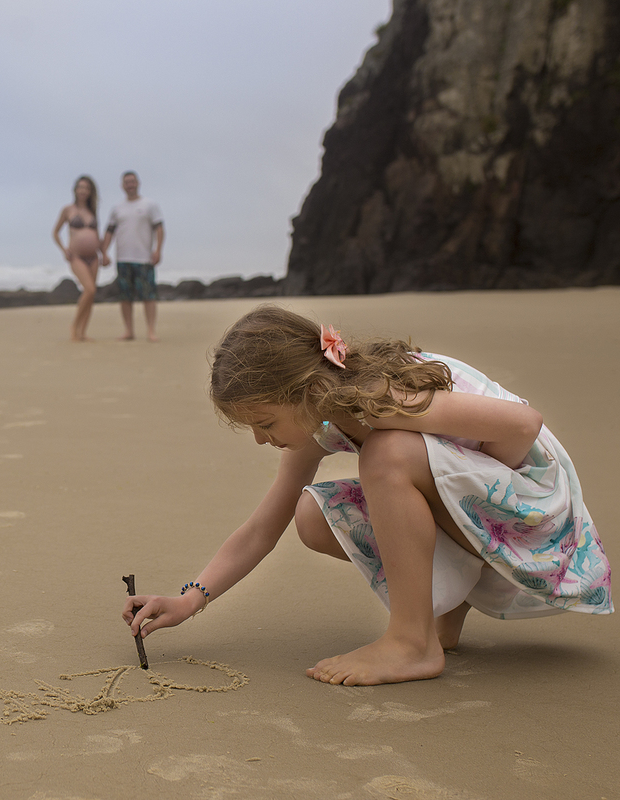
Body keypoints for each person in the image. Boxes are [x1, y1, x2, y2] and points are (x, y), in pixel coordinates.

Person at [123, 305, 612, 686]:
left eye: (265, 422)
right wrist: (189, 600)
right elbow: (259, 530)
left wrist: (475, 504)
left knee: (388, 454)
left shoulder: (382, 397)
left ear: (307, 388)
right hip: (481, 514)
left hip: (534, 511)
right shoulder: (324, 417)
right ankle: (441, 610)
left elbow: (524, 426)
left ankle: (411, 641)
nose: (260, 439)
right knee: (312, 513)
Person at [100, 171, 163, 342]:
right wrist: (104, 252)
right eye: (126, 182)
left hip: (144, 258)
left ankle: (151, 331)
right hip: (123, 259)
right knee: (125, 297)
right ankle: (129, 331)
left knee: (148, 296)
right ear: (122, 185)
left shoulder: (150, 205)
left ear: (138, 183)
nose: (130, 185)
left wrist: (158, 250)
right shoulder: (116, 208)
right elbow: (109, 231)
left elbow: (159, 228)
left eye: (132, 181)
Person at [52, 176, 110, 342]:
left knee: (91, 295)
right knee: (89, 289)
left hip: (94, 257)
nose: (83, 190)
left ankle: (83, 332)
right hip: (76, 257)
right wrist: (64, 249)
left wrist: (104, 253)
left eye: (87, 188)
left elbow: (96, 236)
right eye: (80, 187)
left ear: (91, 192)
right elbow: (55, 232)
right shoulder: (68, 210)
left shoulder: (92, 211)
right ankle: (74, 327)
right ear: (75, 190)